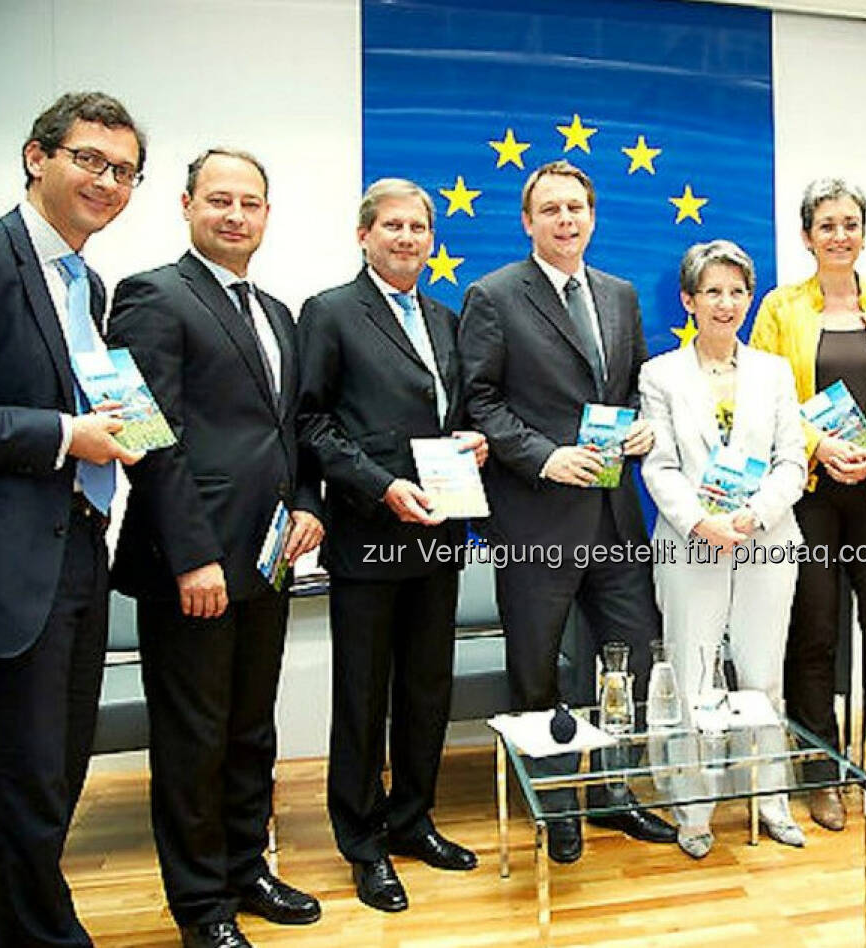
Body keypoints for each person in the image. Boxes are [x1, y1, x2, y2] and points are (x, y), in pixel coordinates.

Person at [0, 90, 146, 947]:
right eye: (89, 160)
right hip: (4, 573)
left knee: (51, 781)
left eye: (123, 170)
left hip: (79, 556)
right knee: (24, 785)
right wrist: (64, 434)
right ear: (37, 156)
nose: (106, 181)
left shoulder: (86, 284)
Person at [108, 148, 325, 948]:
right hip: (190, 566)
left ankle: (246, 869)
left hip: (267, 561)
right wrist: (192, 554)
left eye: (252, 203)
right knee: (193, 739)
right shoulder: (152, 297)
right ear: (187, 204)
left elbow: (290, 431)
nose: (237, 215)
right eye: (220, 200)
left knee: (249, 728)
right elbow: (145, 436)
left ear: (268, 214)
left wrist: (308, 505)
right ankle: (201, 908)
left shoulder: (276, 311)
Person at [458, 159, 676, 863]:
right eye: (550, 210)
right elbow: (480, 400)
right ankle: (555, 808)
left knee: (631, 663)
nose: (565, 220)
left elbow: (637, 385)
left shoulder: (618, 294)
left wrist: (644, 426)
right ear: (528, 222)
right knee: (538, 674)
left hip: (615, 518)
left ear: (592, 216)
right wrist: (543, 455)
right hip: (536, 518)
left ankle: (614, 795)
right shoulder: (492, 296)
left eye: (576, 208)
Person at [297, 178, 487, 913]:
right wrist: (381, 486)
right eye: (393, 226)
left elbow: (455, 413)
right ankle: (364, 842)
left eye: (418, 228)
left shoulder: (444, 316)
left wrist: (473, 441)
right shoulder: (331, 312)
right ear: (364, 235)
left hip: (441, 530)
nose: (407, 238)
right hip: (371, 534)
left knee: (426, 687)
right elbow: (312, 423)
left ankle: (413, 819)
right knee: (363, 694)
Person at [749, 179, 866, 840]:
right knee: (815, 641)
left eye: (850, 223)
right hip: (810, 498)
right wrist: (817, 445)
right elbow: (765, 395)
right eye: (826, 224)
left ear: (863, 232)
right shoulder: (779, 307)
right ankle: (821, 776)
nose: (839, 235)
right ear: (807, 235)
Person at [640, 240, 809, 857]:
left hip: (766, 540)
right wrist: (699, 523)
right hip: (692, 548)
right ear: (688, 300)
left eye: (737, 291)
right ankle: (694, 811)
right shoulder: (660, 375)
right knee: (694, 676)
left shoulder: (775, 372)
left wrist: (754, 514)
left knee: (764, 675)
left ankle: (772, 801)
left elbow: (793, 460)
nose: (726, 302)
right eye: (712, 291)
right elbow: (658, 468)